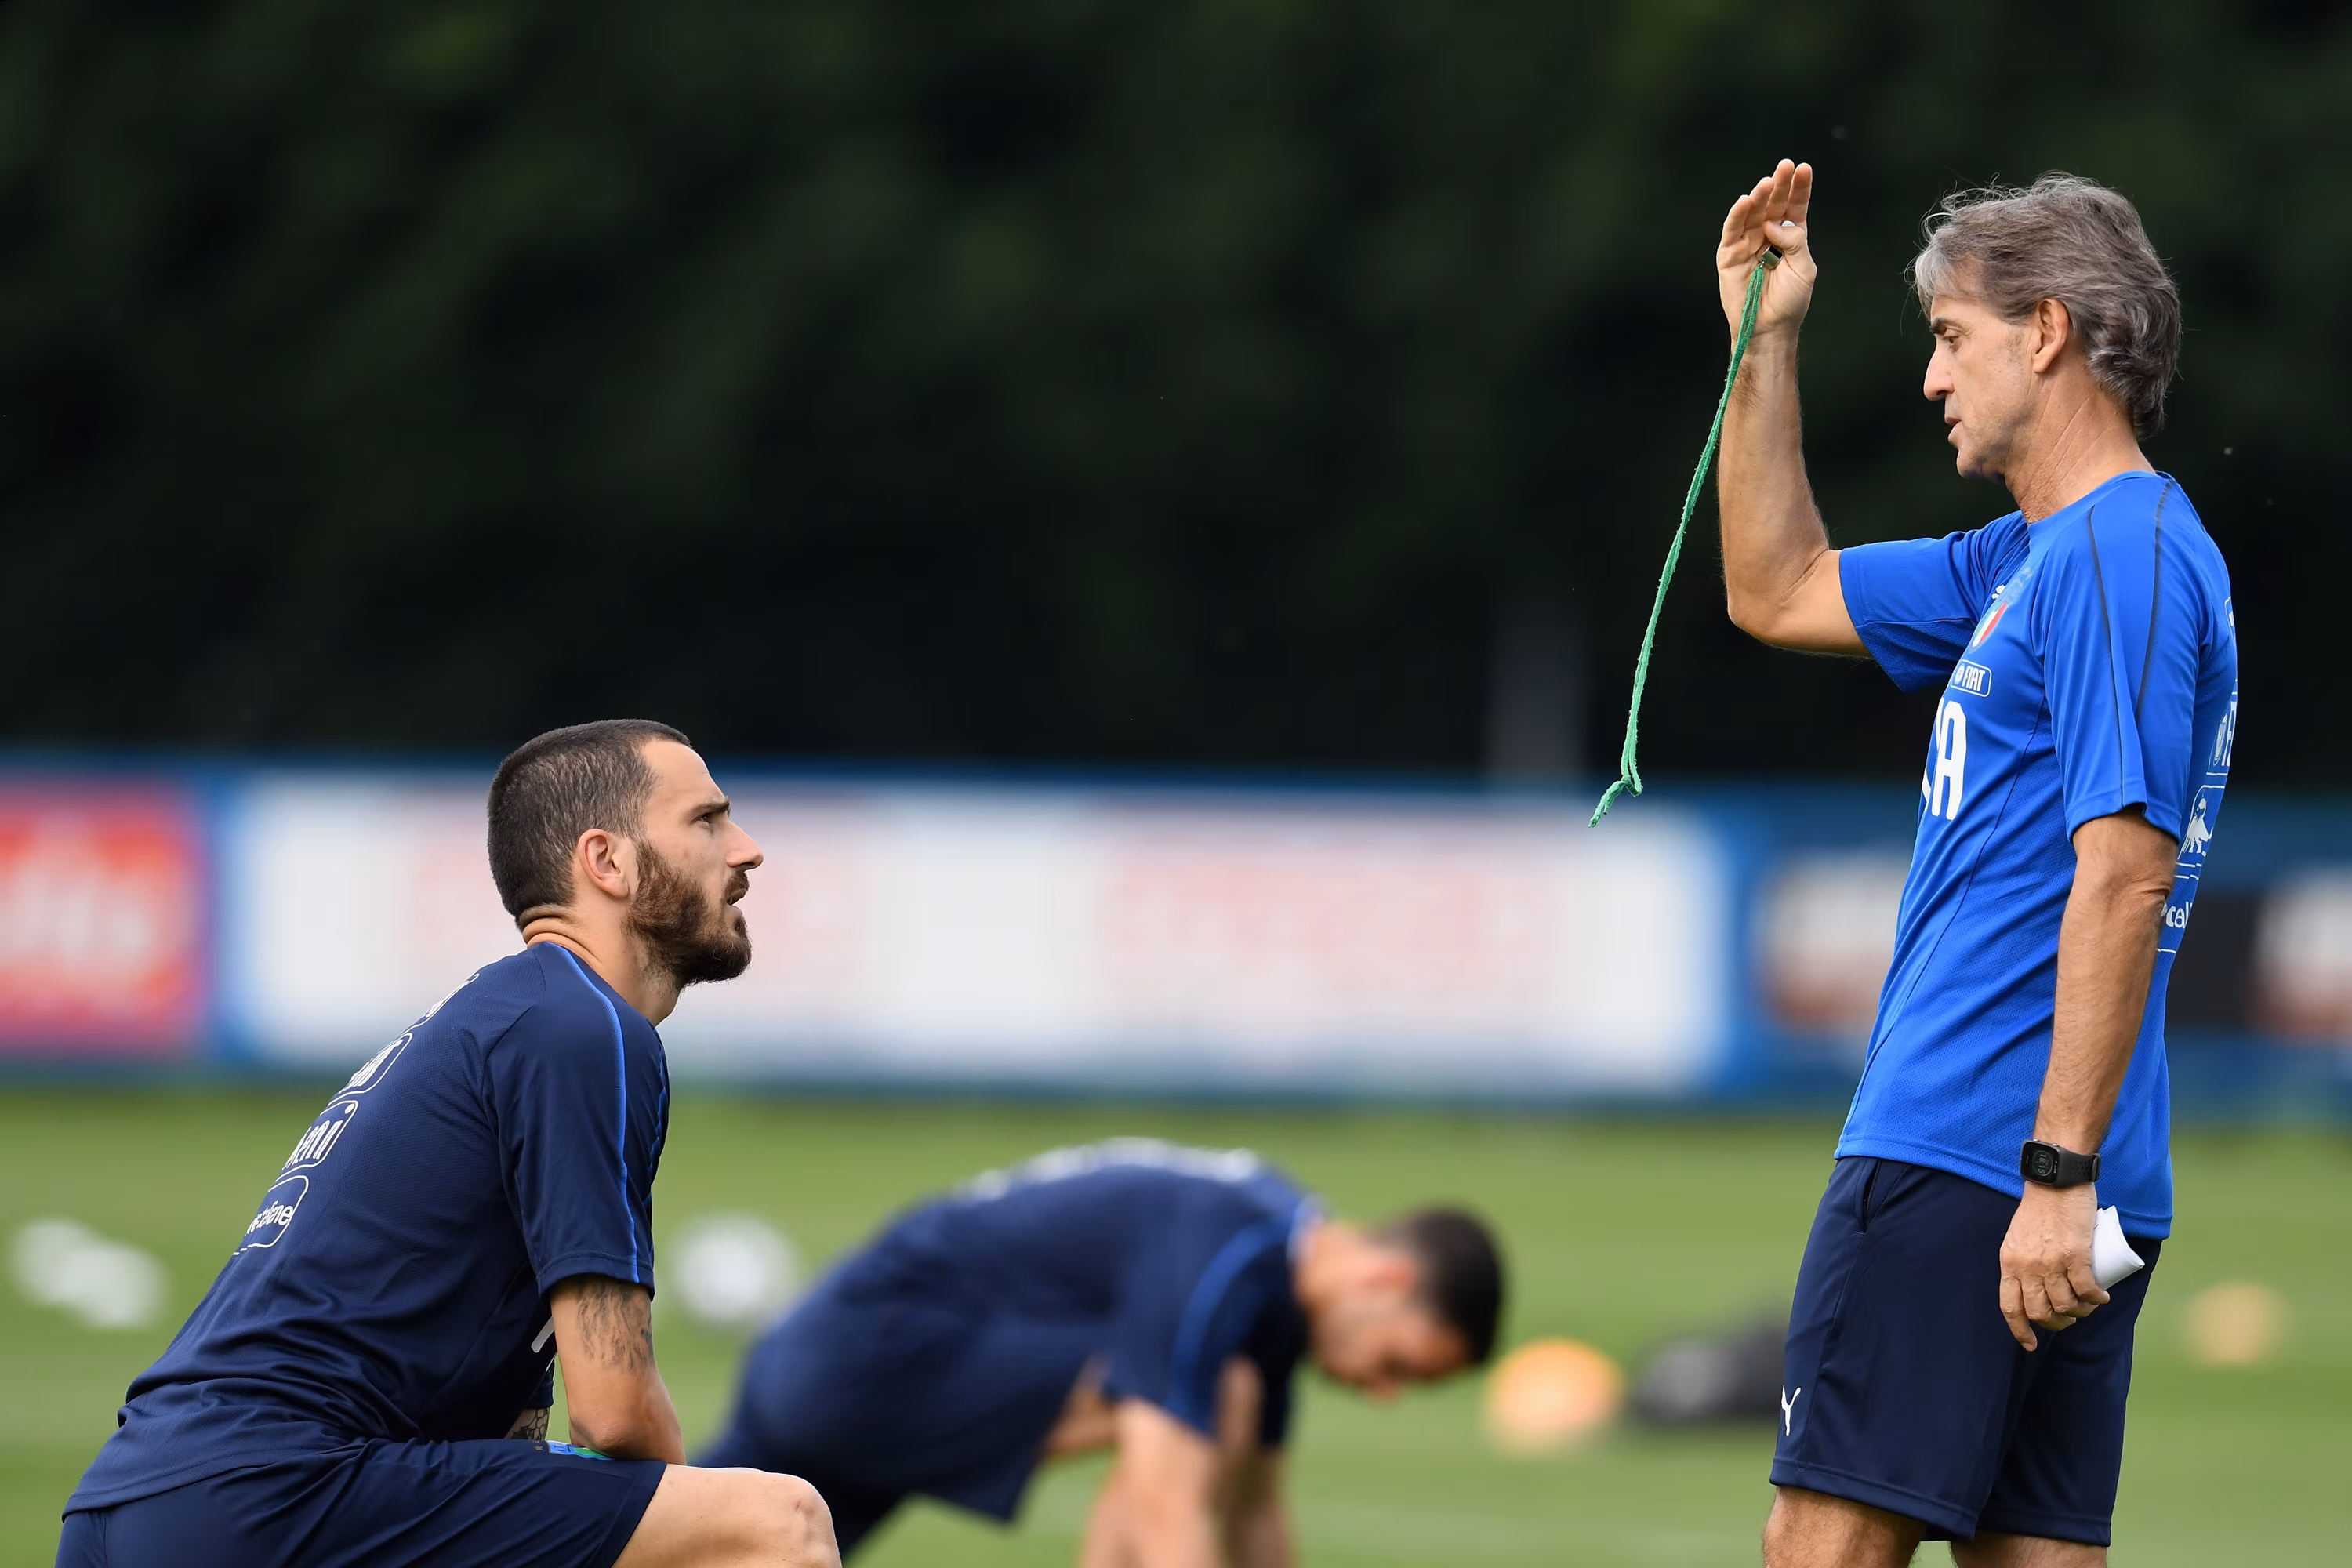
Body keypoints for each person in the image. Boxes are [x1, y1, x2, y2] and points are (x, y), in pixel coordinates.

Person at [1714, 162, 2236, 1566]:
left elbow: (2122, 875)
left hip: (1979, 1151)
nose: (1936, 379)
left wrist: (2051, 1173)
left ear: (2049, 331)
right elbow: (1776, 586)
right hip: (2063, 1171)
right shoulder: (2028, 556)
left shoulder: (2117, 551)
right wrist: (1765, 341)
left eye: (1953, 337)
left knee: (1820, 1546)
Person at [57, 720, 840, 1568]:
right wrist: (694, 1533)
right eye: (708, 820)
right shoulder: (581, 1028)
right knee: (775, 1524)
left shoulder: (509, 1017)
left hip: (145, 1502)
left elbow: (507, 1434)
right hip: (270, 1493)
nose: (748, 849)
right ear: (606, 861)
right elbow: (615, 1414)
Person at [699, 1138, 1504, 1563]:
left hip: (840, 1365)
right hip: (864, 1362)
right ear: (1384, 1277)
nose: (1383, 1390)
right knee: (1207, 1404)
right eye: (1399, 1363)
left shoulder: (1271, 1272)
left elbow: (1256, 1508)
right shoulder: (1224, 1251)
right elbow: (1164, 1505)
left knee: (696, 1549)